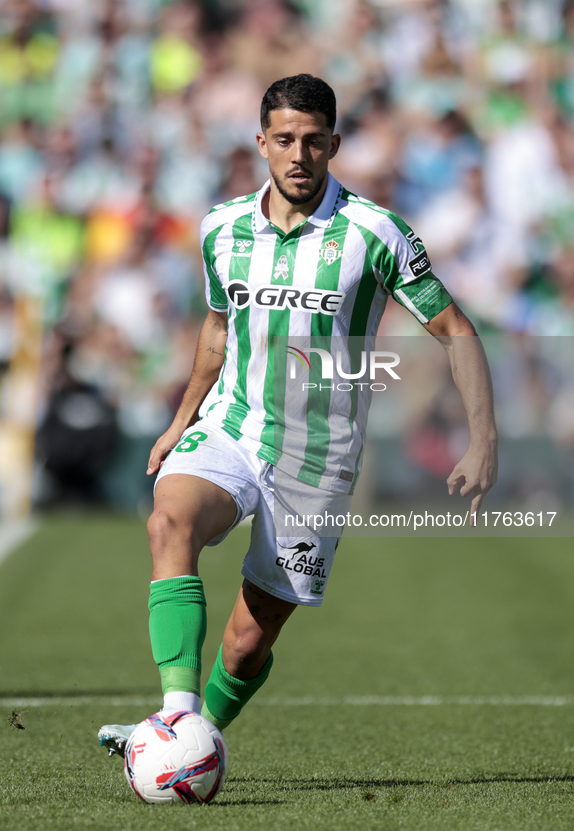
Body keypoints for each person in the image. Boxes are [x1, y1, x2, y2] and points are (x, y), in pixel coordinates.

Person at [98, 74, 498, 755]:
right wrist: (180, 421)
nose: (298, 155)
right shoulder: (220, 228)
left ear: (334, 145)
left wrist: (482, 439)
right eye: (283, 139)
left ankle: (196, 742)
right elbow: (217, 330)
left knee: (249, 642)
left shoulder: (375, 233)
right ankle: (172, 719)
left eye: (313, 141)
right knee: (168, 520)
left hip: (318, 456)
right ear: (260, 142)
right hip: (231, 426)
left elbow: (455, 328)